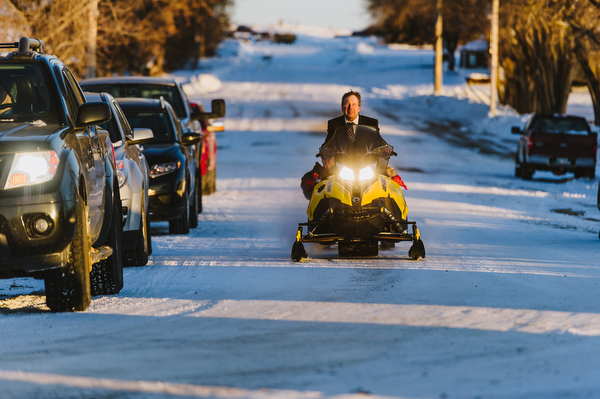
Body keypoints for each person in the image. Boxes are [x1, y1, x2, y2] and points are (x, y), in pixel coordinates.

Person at [300, 90, 406, 199]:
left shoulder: (371, 123)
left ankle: (394, 213)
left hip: (367, 164)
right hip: (342, 164)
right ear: (342, 107)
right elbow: (328, 142)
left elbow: (378, 141)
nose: (350, 108)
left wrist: (385, 149)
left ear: (359, 107)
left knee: (390, 185)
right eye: (347, 104)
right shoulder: (334, 123)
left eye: (354, 105)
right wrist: (325, 150)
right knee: (319, 183)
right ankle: (319, 212)